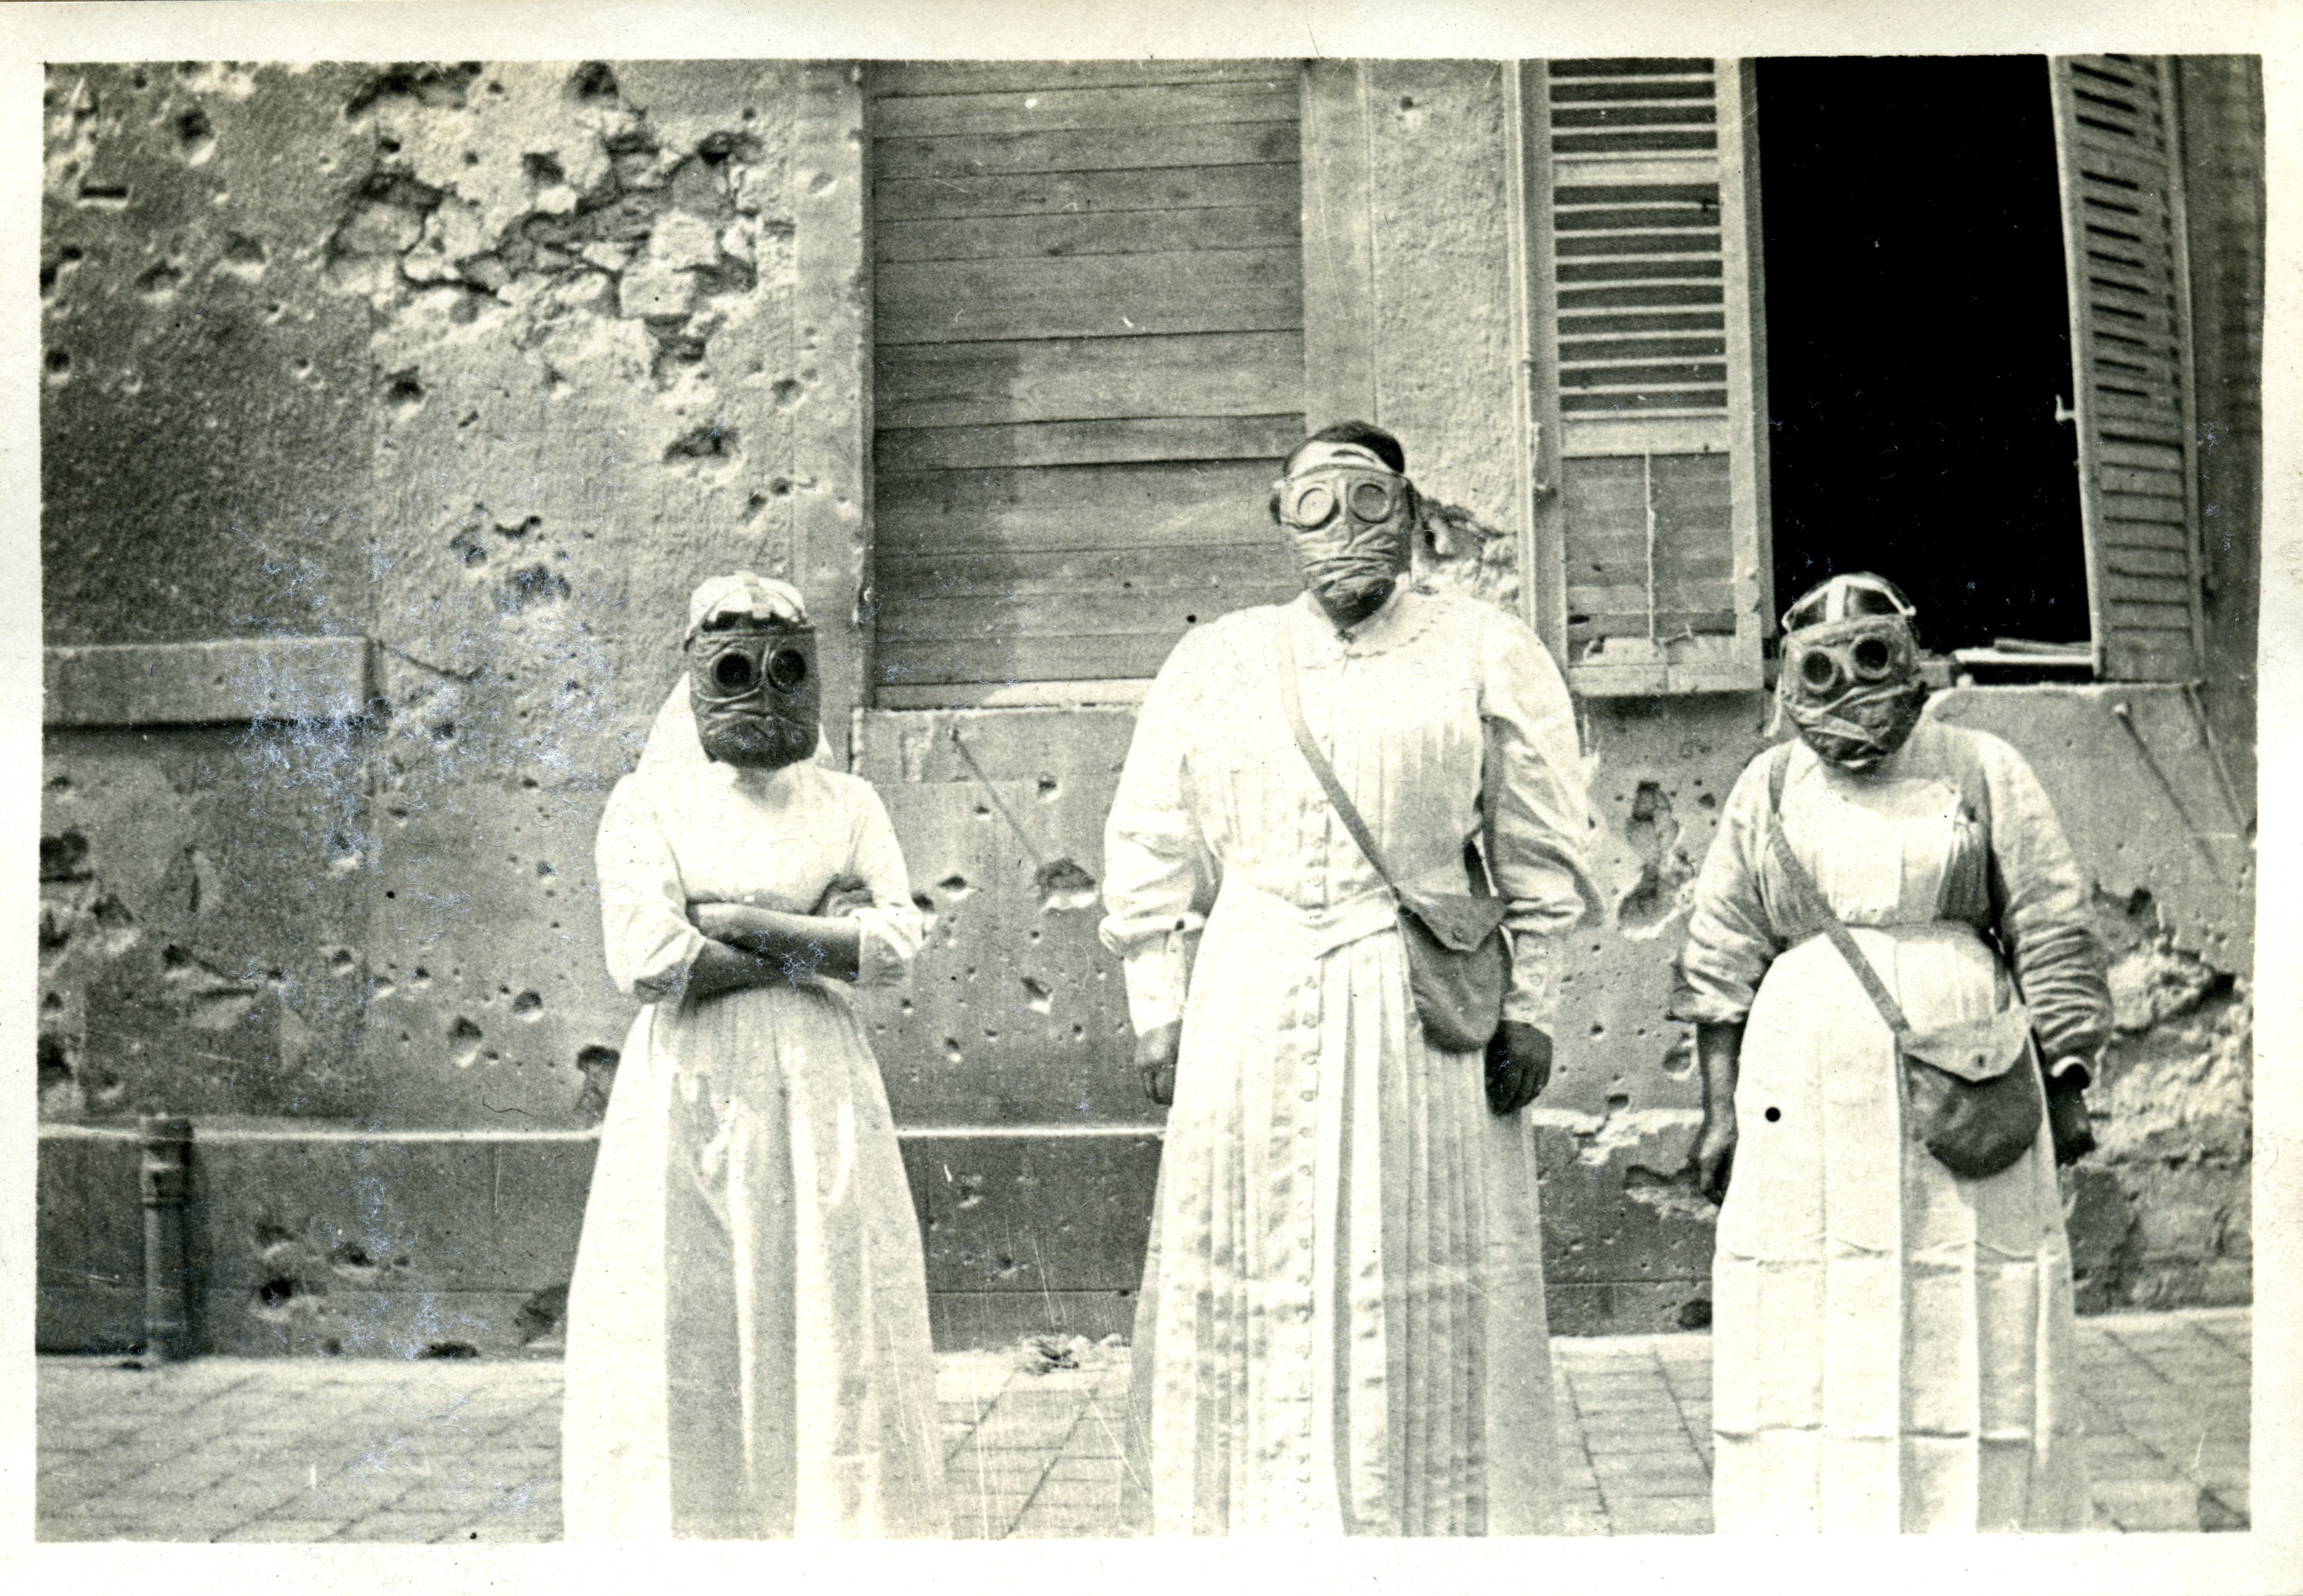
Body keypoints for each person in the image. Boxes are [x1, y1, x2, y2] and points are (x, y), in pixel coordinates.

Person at [1100, 421, 1603, 1536]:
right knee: (1250, 1247)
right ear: (1281, 518)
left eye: (1369, 502)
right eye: (1315, 506)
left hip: (1409, 996)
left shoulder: (1484, 647)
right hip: (1249, 985)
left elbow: (1540, 841)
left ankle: (1415, 1528)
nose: (1344, 530)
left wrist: (1534, 1005)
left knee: (1413, 1258)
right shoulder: (1217, 657)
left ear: (1412, 511)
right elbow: (1152, 835)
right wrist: (1157, 1006)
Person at [1670, 572, 2108, 1533]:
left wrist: (2069, 1082)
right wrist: (1716, 1112)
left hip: (1962, 1070)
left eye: (1873, 657)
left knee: (1970, 1290)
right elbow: (1720, 951)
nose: (1851, 686)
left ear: (1910, 654)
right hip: (1802, 1082)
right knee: (1810, 1299)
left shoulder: (1979, 766)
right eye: (1821, 668)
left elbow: (2049, 921)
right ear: (1790, 676)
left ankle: (1980, 1533)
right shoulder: (1772, 783)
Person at [562, 572, 947, 1539]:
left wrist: (723, 923)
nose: (762, 691)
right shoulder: (647, 804)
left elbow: (896, 943)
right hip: (691, 1084)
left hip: (819, 1084)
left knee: (827, 1310)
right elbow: (648, 958)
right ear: (695, 679)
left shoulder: (850, 803)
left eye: (786, 670)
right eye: (735, 668)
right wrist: (807, 938)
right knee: (687, 1315)